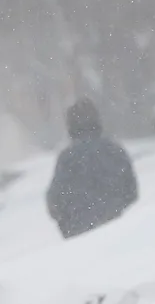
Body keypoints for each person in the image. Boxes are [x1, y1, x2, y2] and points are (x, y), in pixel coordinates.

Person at [46, 97, 139, 239]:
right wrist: (112, 208)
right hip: (115, 230)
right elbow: (131, 192)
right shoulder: (114, 151)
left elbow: (55, 201)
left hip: (79, 235)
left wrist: (69, 221)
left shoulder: (67, 159)